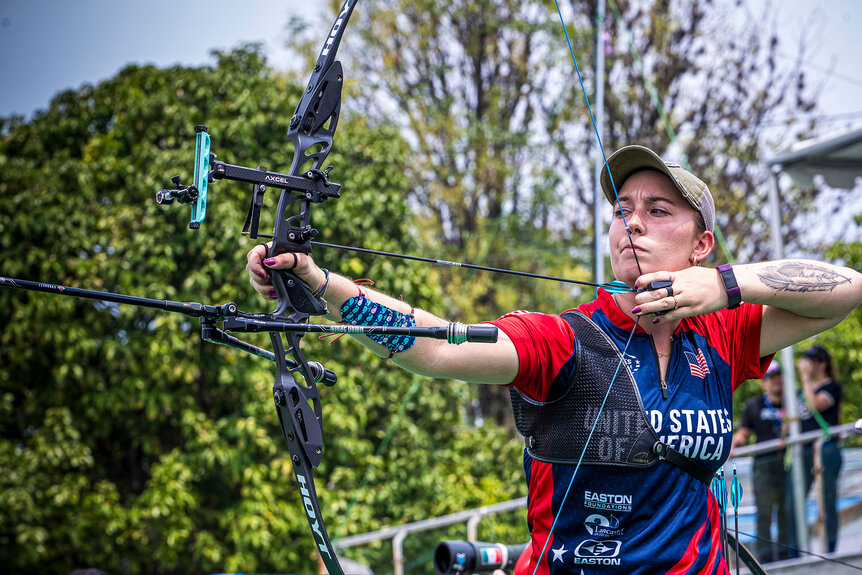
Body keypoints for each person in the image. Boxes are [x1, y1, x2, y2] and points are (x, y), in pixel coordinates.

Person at [246, 145, 862, 574]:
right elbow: (434, 345)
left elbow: (846, 290)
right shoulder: (565, 339)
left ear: (701, 244)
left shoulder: (724, 334)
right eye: (623, 210)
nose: (632, 224)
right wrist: (316, 279)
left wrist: (723, 286)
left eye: (658, 211)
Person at [732, 360, 790, 563]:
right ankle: (764, 557)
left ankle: (787, 553)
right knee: (764, 512)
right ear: (763, 383)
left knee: (788, 510)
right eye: (771, 378)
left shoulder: (794, 402)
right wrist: (733, 445)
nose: (777, 381)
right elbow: (743, 433)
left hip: (789, 466)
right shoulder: (754, 405)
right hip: (764, 467)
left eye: (779, 376)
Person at [787, 345, 843, 554]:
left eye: (810, 361)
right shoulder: (802, 388)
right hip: (802, 451)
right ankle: (795, 551)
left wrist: (804, 377)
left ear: (822, 364)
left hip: (825, 450)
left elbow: (815, 405)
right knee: (792, 503)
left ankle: (829, 549)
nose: (806, 364)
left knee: (826, 501)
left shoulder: (832, 388)